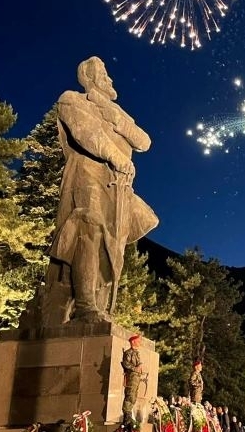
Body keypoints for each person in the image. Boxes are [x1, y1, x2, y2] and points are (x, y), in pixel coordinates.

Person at [37, 56, 159, 326]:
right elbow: (87, 134)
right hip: (87, 176)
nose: (110, 79)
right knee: (88, 230)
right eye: (103, 74)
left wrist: (113, 115)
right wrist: (117, 157)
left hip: (118, 187)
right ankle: (85, 306)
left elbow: (144, 142)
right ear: (89, 77)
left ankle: (100, 306)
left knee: (114, 245)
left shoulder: (116, 112)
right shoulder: (72, 99)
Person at [121, 334, 143, 418]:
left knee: (134, 395)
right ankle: (127, 415)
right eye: (138, 341)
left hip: (136, 376)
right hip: (131, 376)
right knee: (130, 394)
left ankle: (129, 413)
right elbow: (126, 363)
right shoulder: (128, 352)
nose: (140, 342)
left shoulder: (136, 352)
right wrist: (135, 368)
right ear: (133, 342)